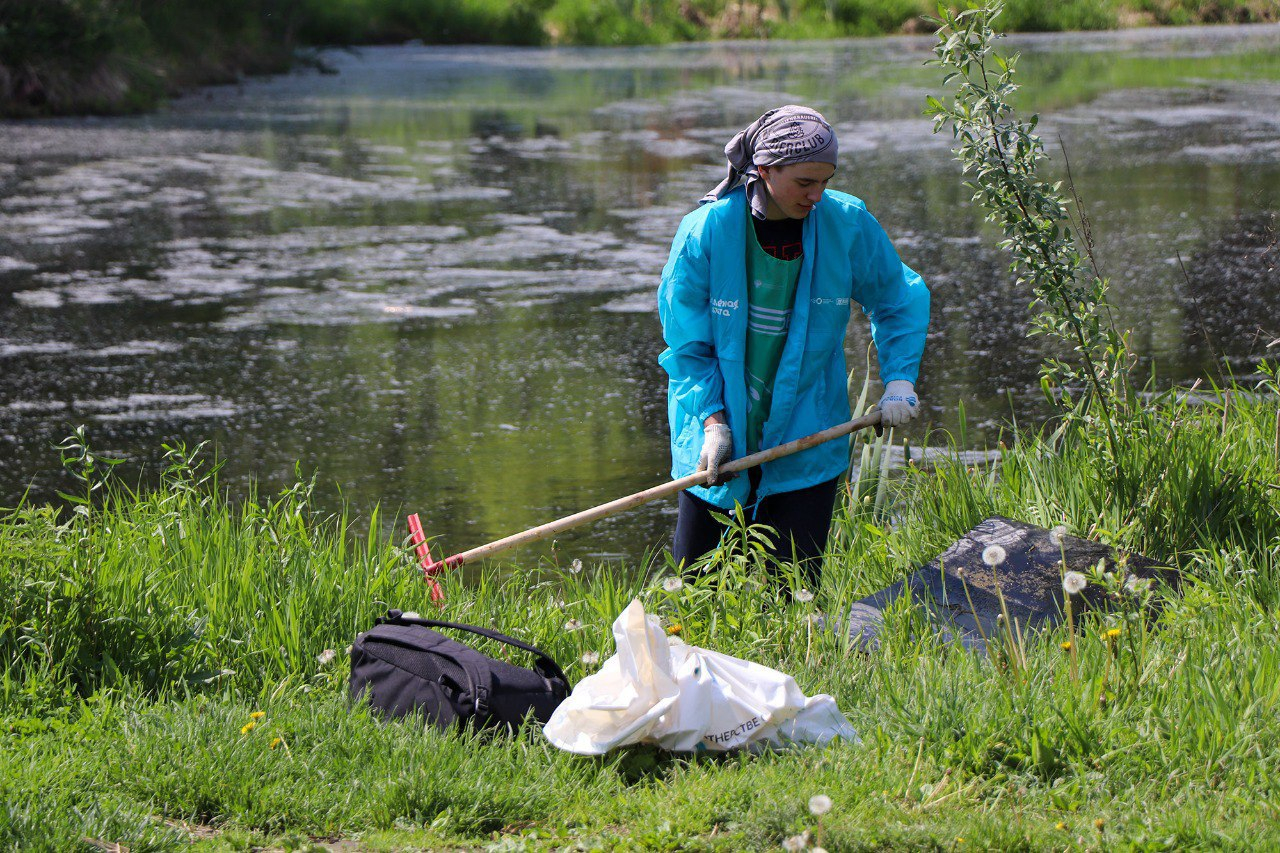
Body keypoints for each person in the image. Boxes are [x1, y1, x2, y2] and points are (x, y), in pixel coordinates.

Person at [656, 105, 930, 586]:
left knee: (792, 596)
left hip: (808, 434)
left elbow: (897, 298)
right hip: (715, 444)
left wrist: (900, 378)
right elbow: (686, 346)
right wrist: (711, 420)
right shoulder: (707, 232)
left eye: (825, 181)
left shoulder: (845, 223)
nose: (817, 194)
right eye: (805, 182)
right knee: (691, 597)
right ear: (764, 171)